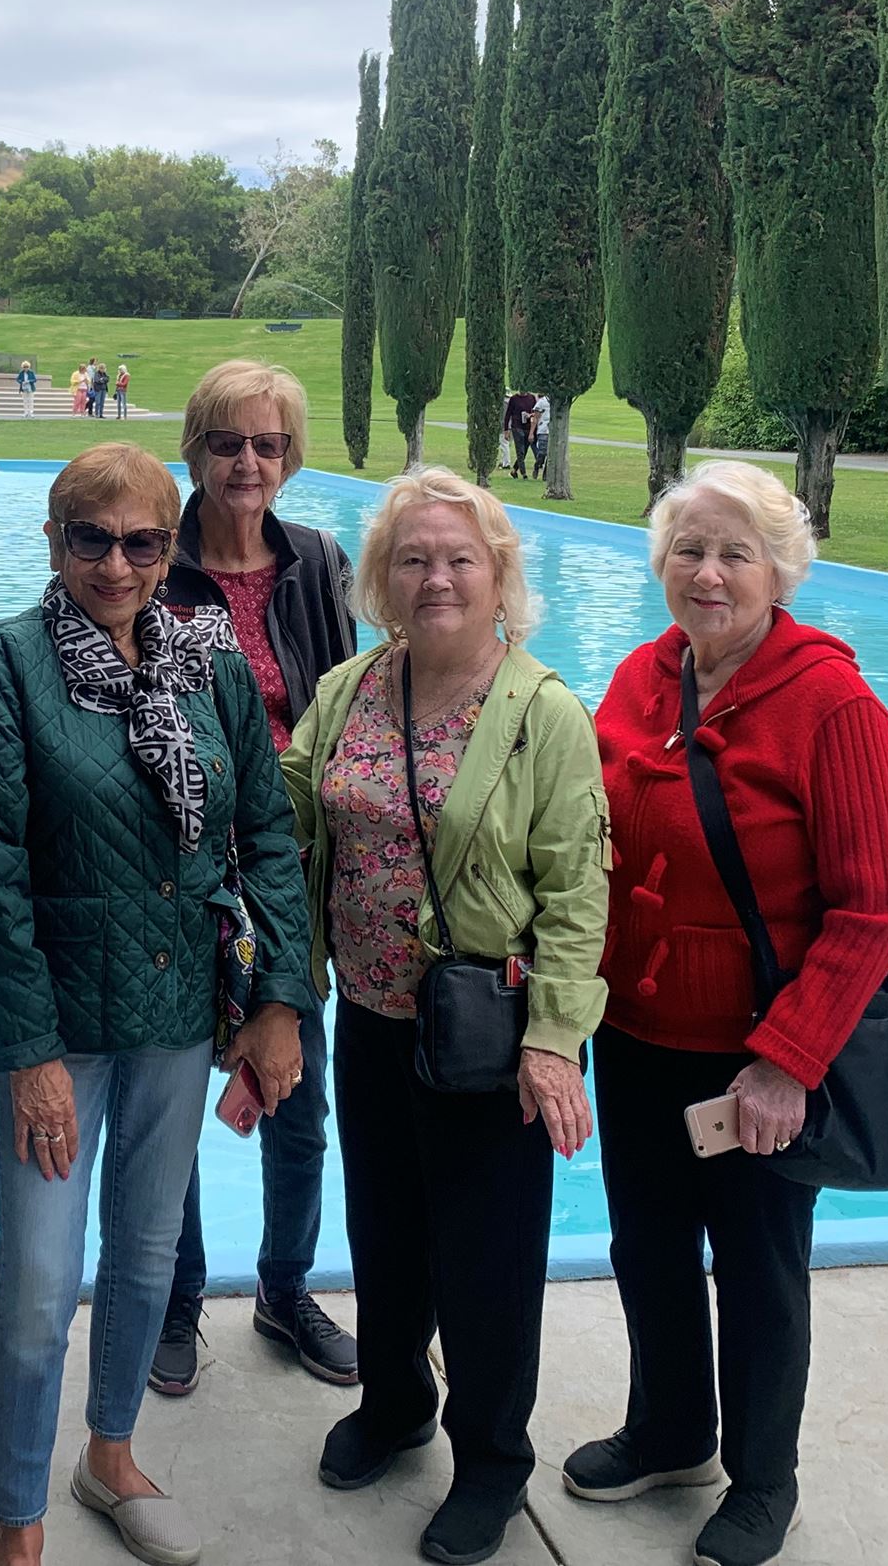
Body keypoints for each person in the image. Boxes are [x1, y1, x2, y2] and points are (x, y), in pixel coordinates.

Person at [0, 443, 316, 1566]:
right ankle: (18, 1519)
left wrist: (277, 1001)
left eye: (142, 540)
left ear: (171, 545)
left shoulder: (206, 662)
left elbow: (266, 838)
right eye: (89, 539)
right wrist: (26, 1050)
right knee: (40, 1277)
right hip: (58, 1024)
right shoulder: (10, 662)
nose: (115, 563)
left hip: (173, 1012)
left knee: (146, 1254)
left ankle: (108, 1454)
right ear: (53, 543)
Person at [560, 461, 888, 1566]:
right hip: (635, 1035)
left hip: (754, 1053)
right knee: (646, 1246)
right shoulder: (637, 680)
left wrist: (787, 1062)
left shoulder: (833, 706)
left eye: (732, 553)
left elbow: (871, 912)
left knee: (757, 1269)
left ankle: (764, 1478)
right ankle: (670, 1428)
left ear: (778, 570)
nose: (705, 574)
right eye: (686, 549)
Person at [286, 466, 609, 1566]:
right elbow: (285, 822)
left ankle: (488, 1460)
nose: (435, 578)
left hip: (487, 1034)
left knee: (485, 1258)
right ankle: (392, 1405)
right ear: (381, 575)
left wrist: (555, 1042)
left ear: (498, 576)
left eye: (458, 559)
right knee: (384, 1230)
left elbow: (576, 891)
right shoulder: (348, 690)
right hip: (371, 1019)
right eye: (413, 558)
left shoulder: (543, 713)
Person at [147, 361, 359, 1398]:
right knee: (172, 1097)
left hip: (288, 870)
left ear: (289, 457)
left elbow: (353, 705)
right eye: (227, 441)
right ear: (194, 447)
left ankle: (283, 1286)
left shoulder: (318, 563)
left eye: (267, 445)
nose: (246, 462)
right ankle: (175, 1298)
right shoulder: (148, 556)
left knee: (298, 1093)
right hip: (176, 871)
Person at [501, 390, 538, 480]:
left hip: (528, 427)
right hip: (517, 427)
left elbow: (536, 413)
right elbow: (508, 414)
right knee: (520, 451)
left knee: (524, 451)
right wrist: (506, 430)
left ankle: (514, 471)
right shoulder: (514, 399)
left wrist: (530, 416)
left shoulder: (532, 398)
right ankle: (524, 473)